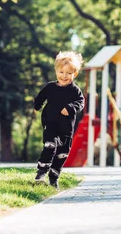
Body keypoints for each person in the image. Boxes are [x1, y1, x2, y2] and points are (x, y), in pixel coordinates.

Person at [34, 51, 85, 190]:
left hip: (66, 128)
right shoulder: (50, 87)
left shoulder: (75, 90)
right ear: (56, 70)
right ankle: (41, 174)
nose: (64, 76)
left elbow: (80, 103)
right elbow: (40, 97)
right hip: (50, 123)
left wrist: (70, 107)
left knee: (62, 153)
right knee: (49, 145)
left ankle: (54, 176)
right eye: (61, 72)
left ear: (75, 74)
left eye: (69, 73)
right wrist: (36, 106)